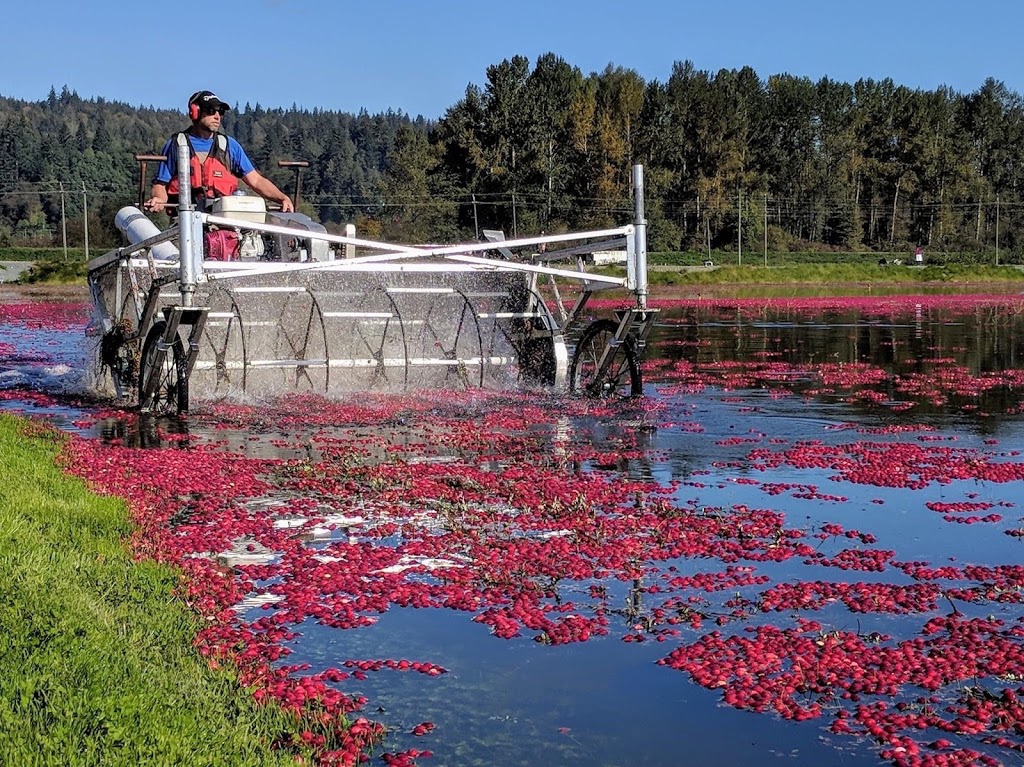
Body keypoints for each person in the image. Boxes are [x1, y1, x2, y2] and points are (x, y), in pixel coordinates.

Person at [144, 90, 294, 214]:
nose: (217, 116)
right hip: (184, 221)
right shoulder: (176, 145)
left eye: (220, 111)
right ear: (194, 112)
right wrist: (159, 200)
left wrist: (281, 198)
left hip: (223, 219)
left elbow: (256, 180)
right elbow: (161, 185)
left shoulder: (229, 146)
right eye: (211, 111)